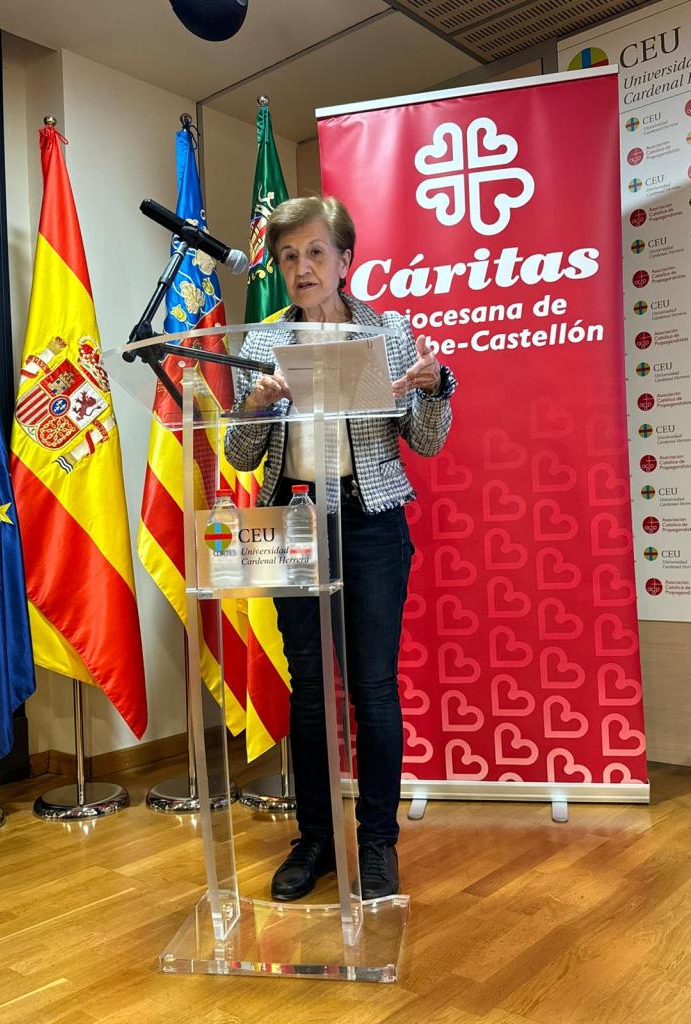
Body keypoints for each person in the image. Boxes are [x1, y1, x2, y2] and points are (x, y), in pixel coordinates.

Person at [224, 196, 456, 901]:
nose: (302, 267)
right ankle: (316, 839)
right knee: (308, 688)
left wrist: (437, 389)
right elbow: (240, 455)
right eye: (289, 256)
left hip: (370, 522)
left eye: (316, 252)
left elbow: (426, 442)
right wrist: (254, 408)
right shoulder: (260, 342)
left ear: (345, 259)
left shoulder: (389, 333)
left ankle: (378, 842)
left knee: (373, 687)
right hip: (292, 520)